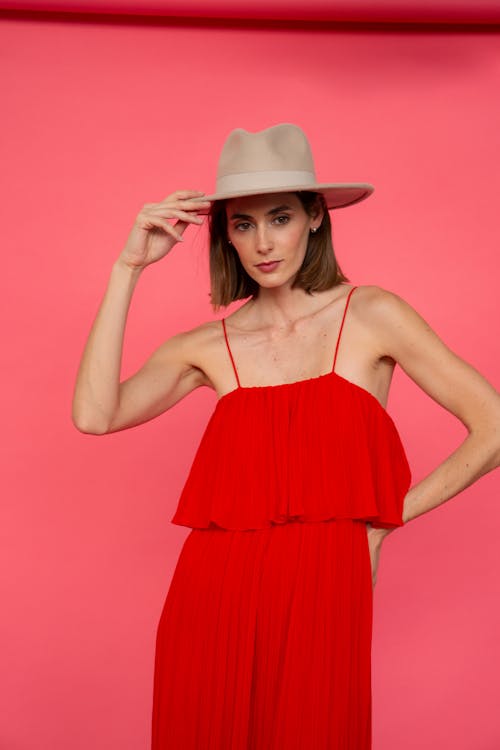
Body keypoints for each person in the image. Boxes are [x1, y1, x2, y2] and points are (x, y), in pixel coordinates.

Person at [72, 123, 500, 749]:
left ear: (316, 218)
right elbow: (94, 414)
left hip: (327, 589)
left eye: (279, 218)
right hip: (211, 599)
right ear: (226, 236)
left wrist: (384, 522)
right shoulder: (210, 345)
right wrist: (127, 267)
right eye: (243, 225)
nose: (263, 243)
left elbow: (492, 426)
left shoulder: (372, 313)